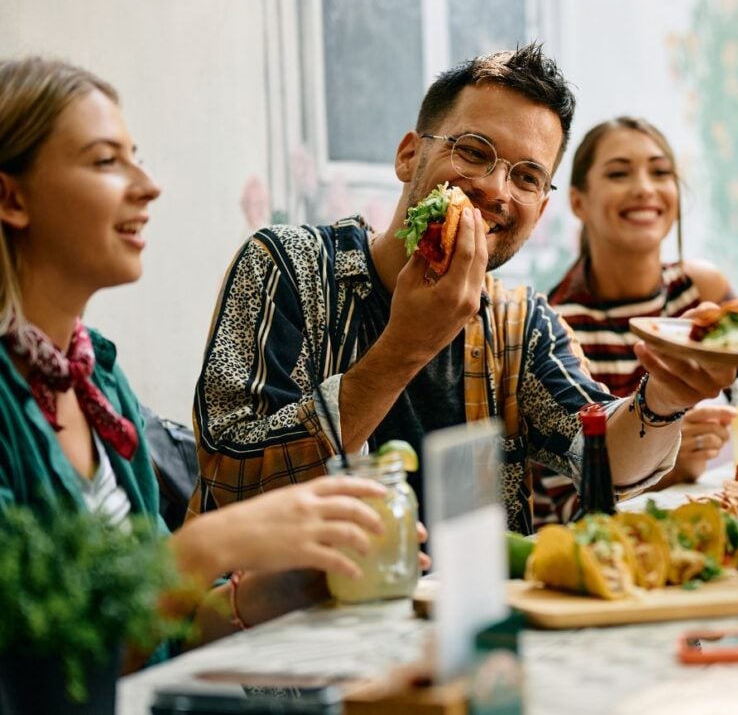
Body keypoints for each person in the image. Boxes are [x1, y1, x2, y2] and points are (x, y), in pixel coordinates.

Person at [191, 45, 735, 533]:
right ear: (409, 155)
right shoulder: (287, 265)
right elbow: (235, 483)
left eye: (526, 177)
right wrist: (406, 346)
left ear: (541, 209)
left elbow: (603, 459)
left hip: (472, 618)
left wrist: (663, 401)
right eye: (474, 152)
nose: (495, 190)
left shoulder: (521, 322)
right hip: (288, 619)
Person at [0, 56, 423, 656]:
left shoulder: (99, 380)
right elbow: (34, 659)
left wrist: (276, 589)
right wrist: (209, 545)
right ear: (10, 198)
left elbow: (142, 641)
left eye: (135, 156)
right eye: (104, 161)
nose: (148, 186)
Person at [530, 117, 738, 522]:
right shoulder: (556, 323)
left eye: (660, 172)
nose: (644, 187)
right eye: (618, 173)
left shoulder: (703, 291)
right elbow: (566, 508)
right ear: (578, 202)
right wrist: (669, 460)